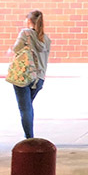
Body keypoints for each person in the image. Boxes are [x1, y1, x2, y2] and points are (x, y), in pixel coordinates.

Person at [10, 10, 51, 139]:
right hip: (39, 79)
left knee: (25, 109)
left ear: (29, 21)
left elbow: (16, 49)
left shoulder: (25, 33)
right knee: (28, 107)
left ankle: (29, 138)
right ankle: (29, 136)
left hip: (24, 75)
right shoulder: (46, 39)